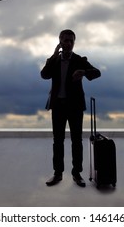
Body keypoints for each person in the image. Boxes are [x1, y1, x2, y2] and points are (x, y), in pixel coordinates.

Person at [40, 29, 101, 187]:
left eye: (70, 41)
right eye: (65, 40)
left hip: (75, 107)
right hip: (58, 106)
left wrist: (84, 71)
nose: (68, 43)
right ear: (60, 41)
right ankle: (58, 173)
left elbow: (97, 73)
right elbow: (44, 75)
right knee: (57, 141)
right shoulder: (54, 61)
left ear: (74, 43)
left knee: (76, 141)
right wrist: (53, 56)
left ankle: (77, 173)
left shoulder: (79, 60)